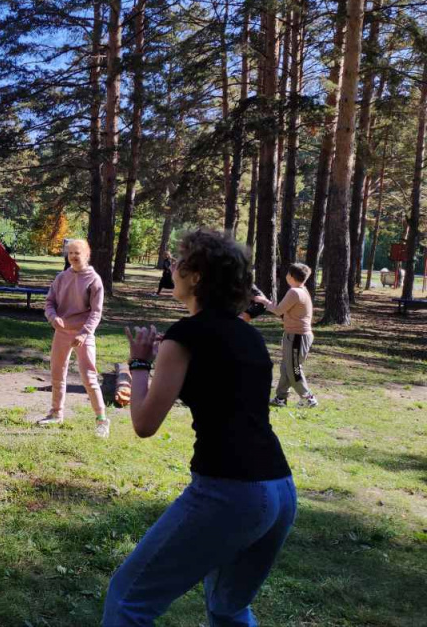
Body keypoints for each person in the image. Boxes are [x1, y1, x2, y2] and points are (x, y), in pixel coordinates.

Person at [104, 229, 296, 625]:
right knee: (228, 608)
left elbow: (144, 423)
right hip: (279, 489)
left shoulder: (185, 336)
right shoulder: (248, 336)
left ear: (196, 277)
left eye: (179, 262)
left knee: (127, 600)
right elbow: (220, 385)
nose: (172, 268)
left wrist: (139, 363)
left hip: (230, 491)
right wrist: (167, 356)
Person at [38, 238, 109, 437]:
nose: (73, 257)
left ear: (87, 255)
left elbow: (96, 312)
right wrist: (53, 318)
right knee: (57, 373)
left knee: (89, 376)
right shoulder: (61, 277)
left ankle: (102, 420)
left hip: (83, 334)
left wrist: (84, 333)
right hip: (62, 332)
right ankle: (56, 414)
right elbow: (49, 302)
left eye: (77, 253)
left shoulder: (94, 280)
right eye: (70, 253)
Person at [254, 263, 319, 408]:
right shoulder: (301, 290)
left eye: (287, 273)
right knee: (286, 367)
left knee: (294, 369)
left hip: (297, 337)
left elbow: (278, 310)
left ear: (291, 276)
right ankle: (281, 398)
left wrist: (263, 301)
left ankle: (309, 398)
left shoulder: (294, 292)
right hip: (295, 335)